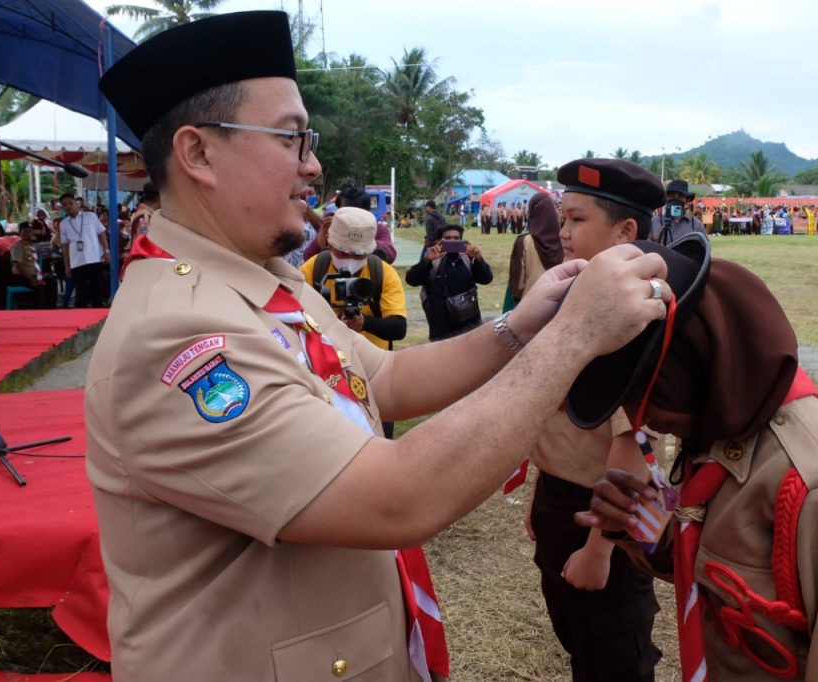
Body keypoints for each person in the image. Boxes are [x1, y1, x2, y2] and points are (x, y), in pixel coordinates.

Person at [93, 12, 673, 682]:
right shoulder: (179, 333)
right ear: (197, 155)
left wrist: (526, 326)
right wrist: (574, 337)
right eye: (291, 138)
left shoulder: (264, 280)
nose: (313, 163)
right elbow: (398, 496)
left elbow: (386, 378)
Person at [574, 245, 818, 682]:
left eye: (650, 395)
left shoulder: (816, 484)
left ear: (695, 365)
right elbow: (725, 580)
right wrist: (646, 528)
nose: (641, 418)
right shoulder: (717, 437)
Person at [524, 158, 667, 682]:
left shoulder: (629, 323)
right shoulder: (580, 300)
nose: (562, 233)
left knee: (615, 651)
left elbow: (633, 449)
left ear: (626, 231)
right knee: (579, 638)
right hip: (563, 499)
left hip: (605, 513)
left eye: (578, 221)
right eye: (562, 218)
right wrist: (544, 495)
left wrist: (599, 548)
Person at [301, 207, 407, 438]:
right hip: (324, 374)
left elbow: (398, 328)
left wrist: (363, 323)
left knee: (379, 438)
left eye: (358, 255)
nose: (349, 262)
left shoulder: (383, 273)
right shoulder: (312, 269)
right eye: (342, 252)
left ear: (370, 251)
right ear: (329, 244)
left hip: (373, 373)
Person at [406, 223, 493, 341]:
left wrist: (479, 260)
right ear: (438, 241)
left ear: (462, 241)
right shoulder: (432, 261)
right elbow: (411, 280)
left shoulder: (468, 259)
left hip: (469, 328)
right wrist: (426, 260)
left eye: (456, 239)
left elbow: (486, 279)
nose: (452, 241)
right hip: (440, 330)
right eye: (447, 239)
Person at [506, 192, 562, 309]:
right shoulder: (565, 239)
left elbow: (517, 286)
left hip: (530, 309)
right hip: (558, 306)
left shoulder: (524, 241)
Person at [59, 192, 109, 307]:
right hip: (77, 262)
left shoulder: (90, 216)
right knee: (81, 294)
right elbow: (65, 246)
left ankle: (98, 316)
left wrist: (106, 251)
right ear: (62, 207)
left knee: (97, 291)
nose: (68, 206)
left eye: (70, 203)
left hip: (94, 258)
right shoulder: (63, 224)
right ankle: (82, 320)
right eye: (65, 205)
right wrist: (67, 265)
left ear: (76, 203)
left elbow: (101, 234)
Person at [651, 180, 705, 245]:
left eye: (680, 196)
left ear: (687, 200)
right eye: (671, 195)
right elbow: (644, 249)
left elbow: (704, 251)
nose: (675, 199)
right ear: (666, 198)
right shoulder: (654, 222)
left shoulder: (696, 225)